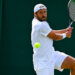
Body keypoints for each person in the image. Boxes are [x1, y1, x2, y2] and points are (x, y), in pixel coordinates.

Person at [31, 4, 75, 75]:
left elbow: (50, 32)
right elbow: (55, 37)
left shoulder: (36, 21)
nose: (43, 14)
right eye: (41, 12)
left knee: (73, 64)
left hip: (52, 55)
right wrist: (66, 35)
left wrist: (65, 30)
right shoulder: (40, 25)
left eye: (45, 12)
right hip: (43, 62)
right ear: (35, 14)